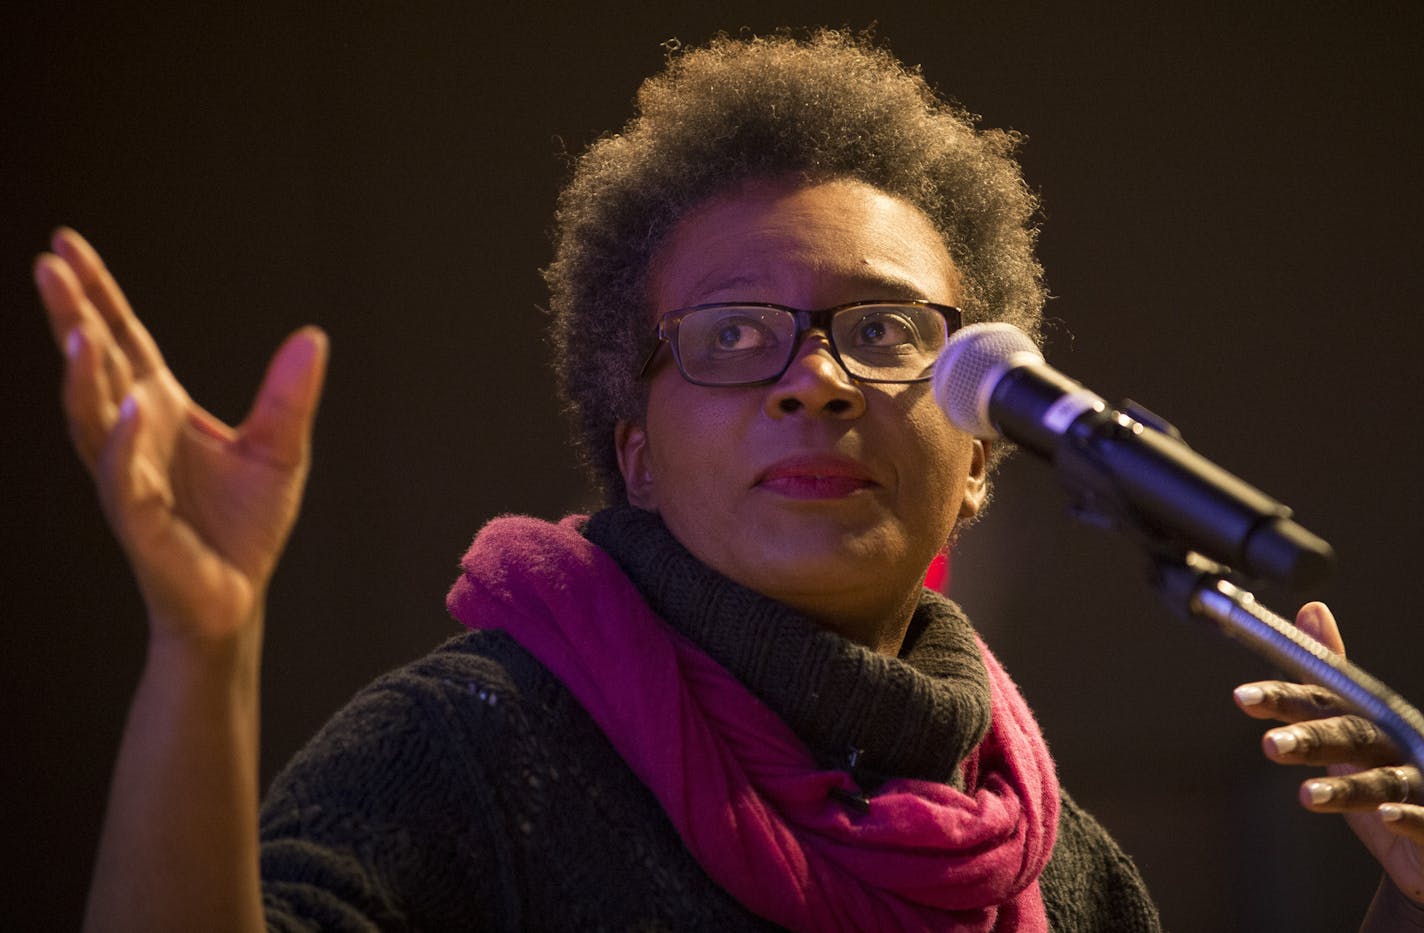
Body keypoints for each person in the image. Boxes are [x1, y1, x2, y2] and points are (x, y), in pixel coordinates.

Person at [32, 28, 1424, 931]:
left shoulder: (1061, 865)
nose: (812, 379)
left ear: (985, 449)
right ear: (631, 448)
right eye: (731, 337)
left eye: (884, 334)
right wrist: (201, 645)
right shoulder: (471, 748)